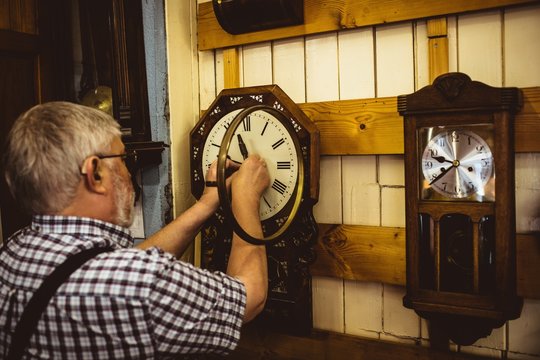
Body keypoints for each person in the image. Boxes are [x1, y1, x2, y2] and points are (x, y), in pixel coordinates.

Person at [0, 101, 270, 358]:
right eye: (123, 158)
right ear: (95, 173)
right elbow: (250, 298)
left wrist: (207, 203)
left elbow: (113, 267)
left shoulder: (12, 251)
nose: (128, 172)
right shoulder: (140, 283)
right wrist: (246, 197)